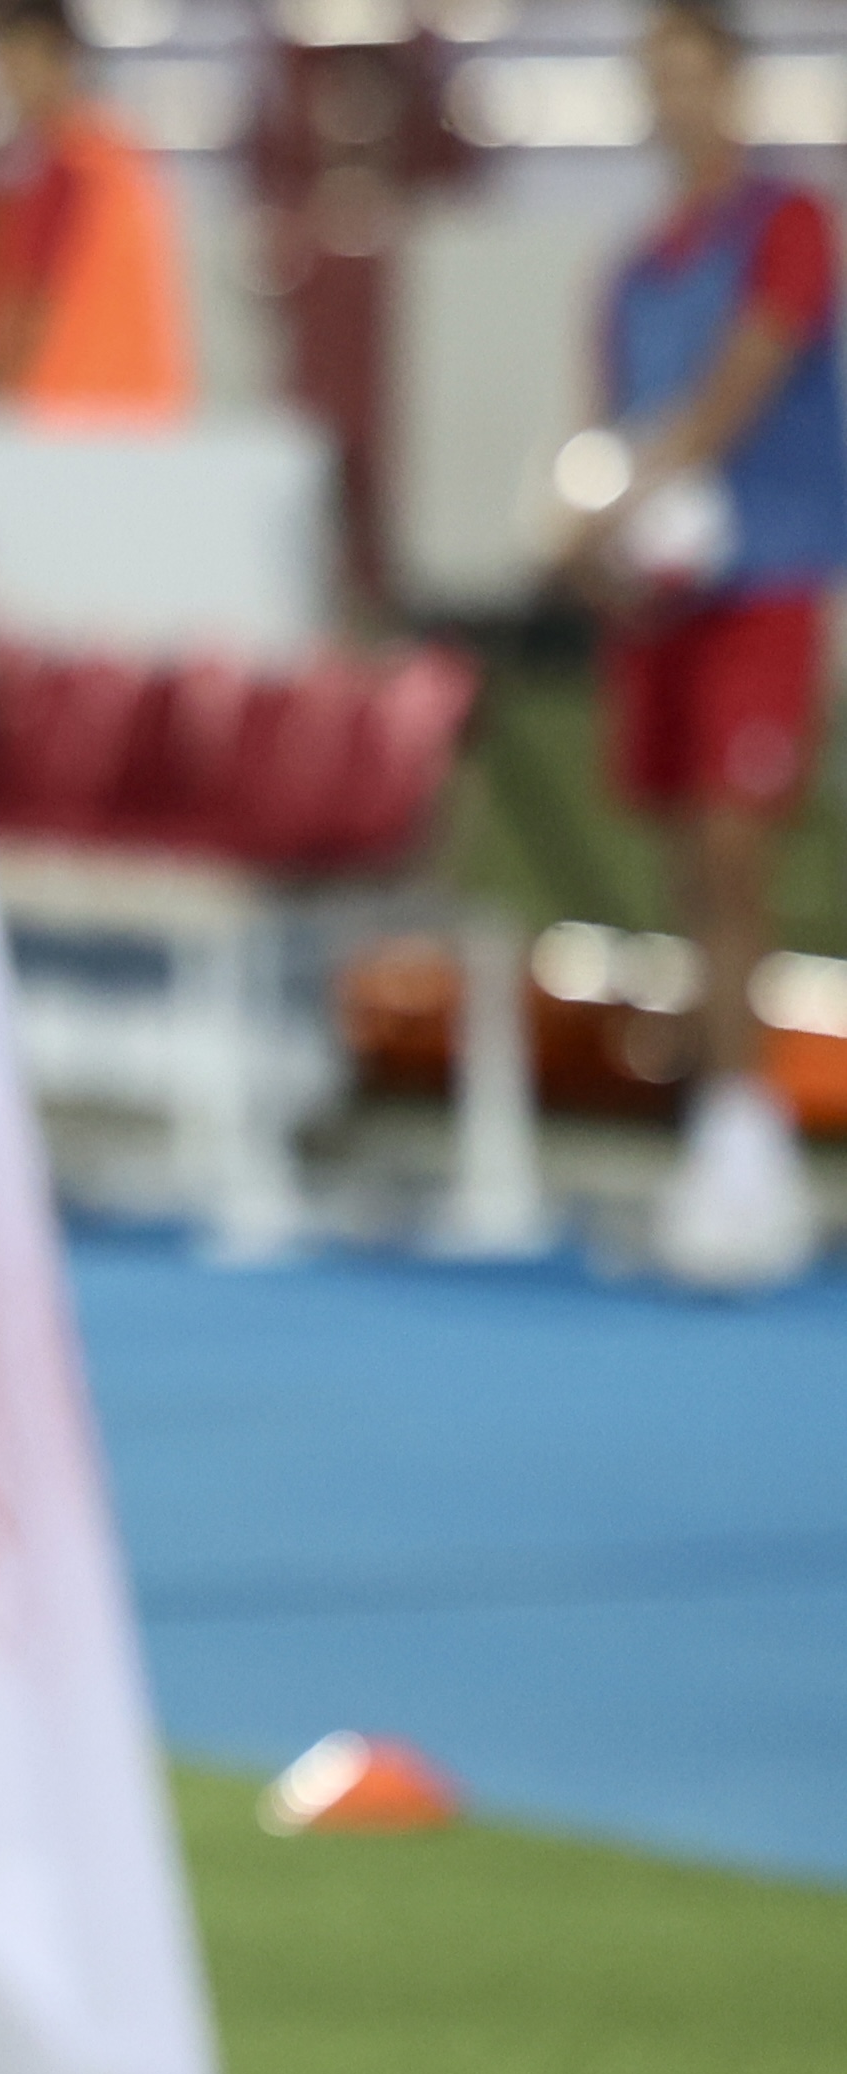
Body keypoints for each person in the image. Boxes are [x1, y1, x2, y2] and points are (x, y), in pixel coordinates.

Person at [563, 0, 846, 1289]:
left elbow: (743, 377)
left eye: (690, 74)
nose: (671, 98)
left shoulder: (787, 224)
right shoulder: (628, 271)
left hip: (764, 586)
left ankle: (749, 1142)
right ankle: (719, 1141)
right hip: (663, 604)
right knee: (684, 865)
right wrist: (593, 534)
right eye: (653, 77)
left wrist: (639, 485)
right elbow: (607, 426)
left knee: (736, 856)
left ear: (729, 83)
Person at [0, 0, 192, 420]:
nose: (7, 79)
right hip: (139, 414)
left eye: (17, 59)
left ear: (58, 58)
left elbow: (27, 312)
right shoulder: (120, 154)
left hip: (67, 419)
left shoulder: (68, 166)